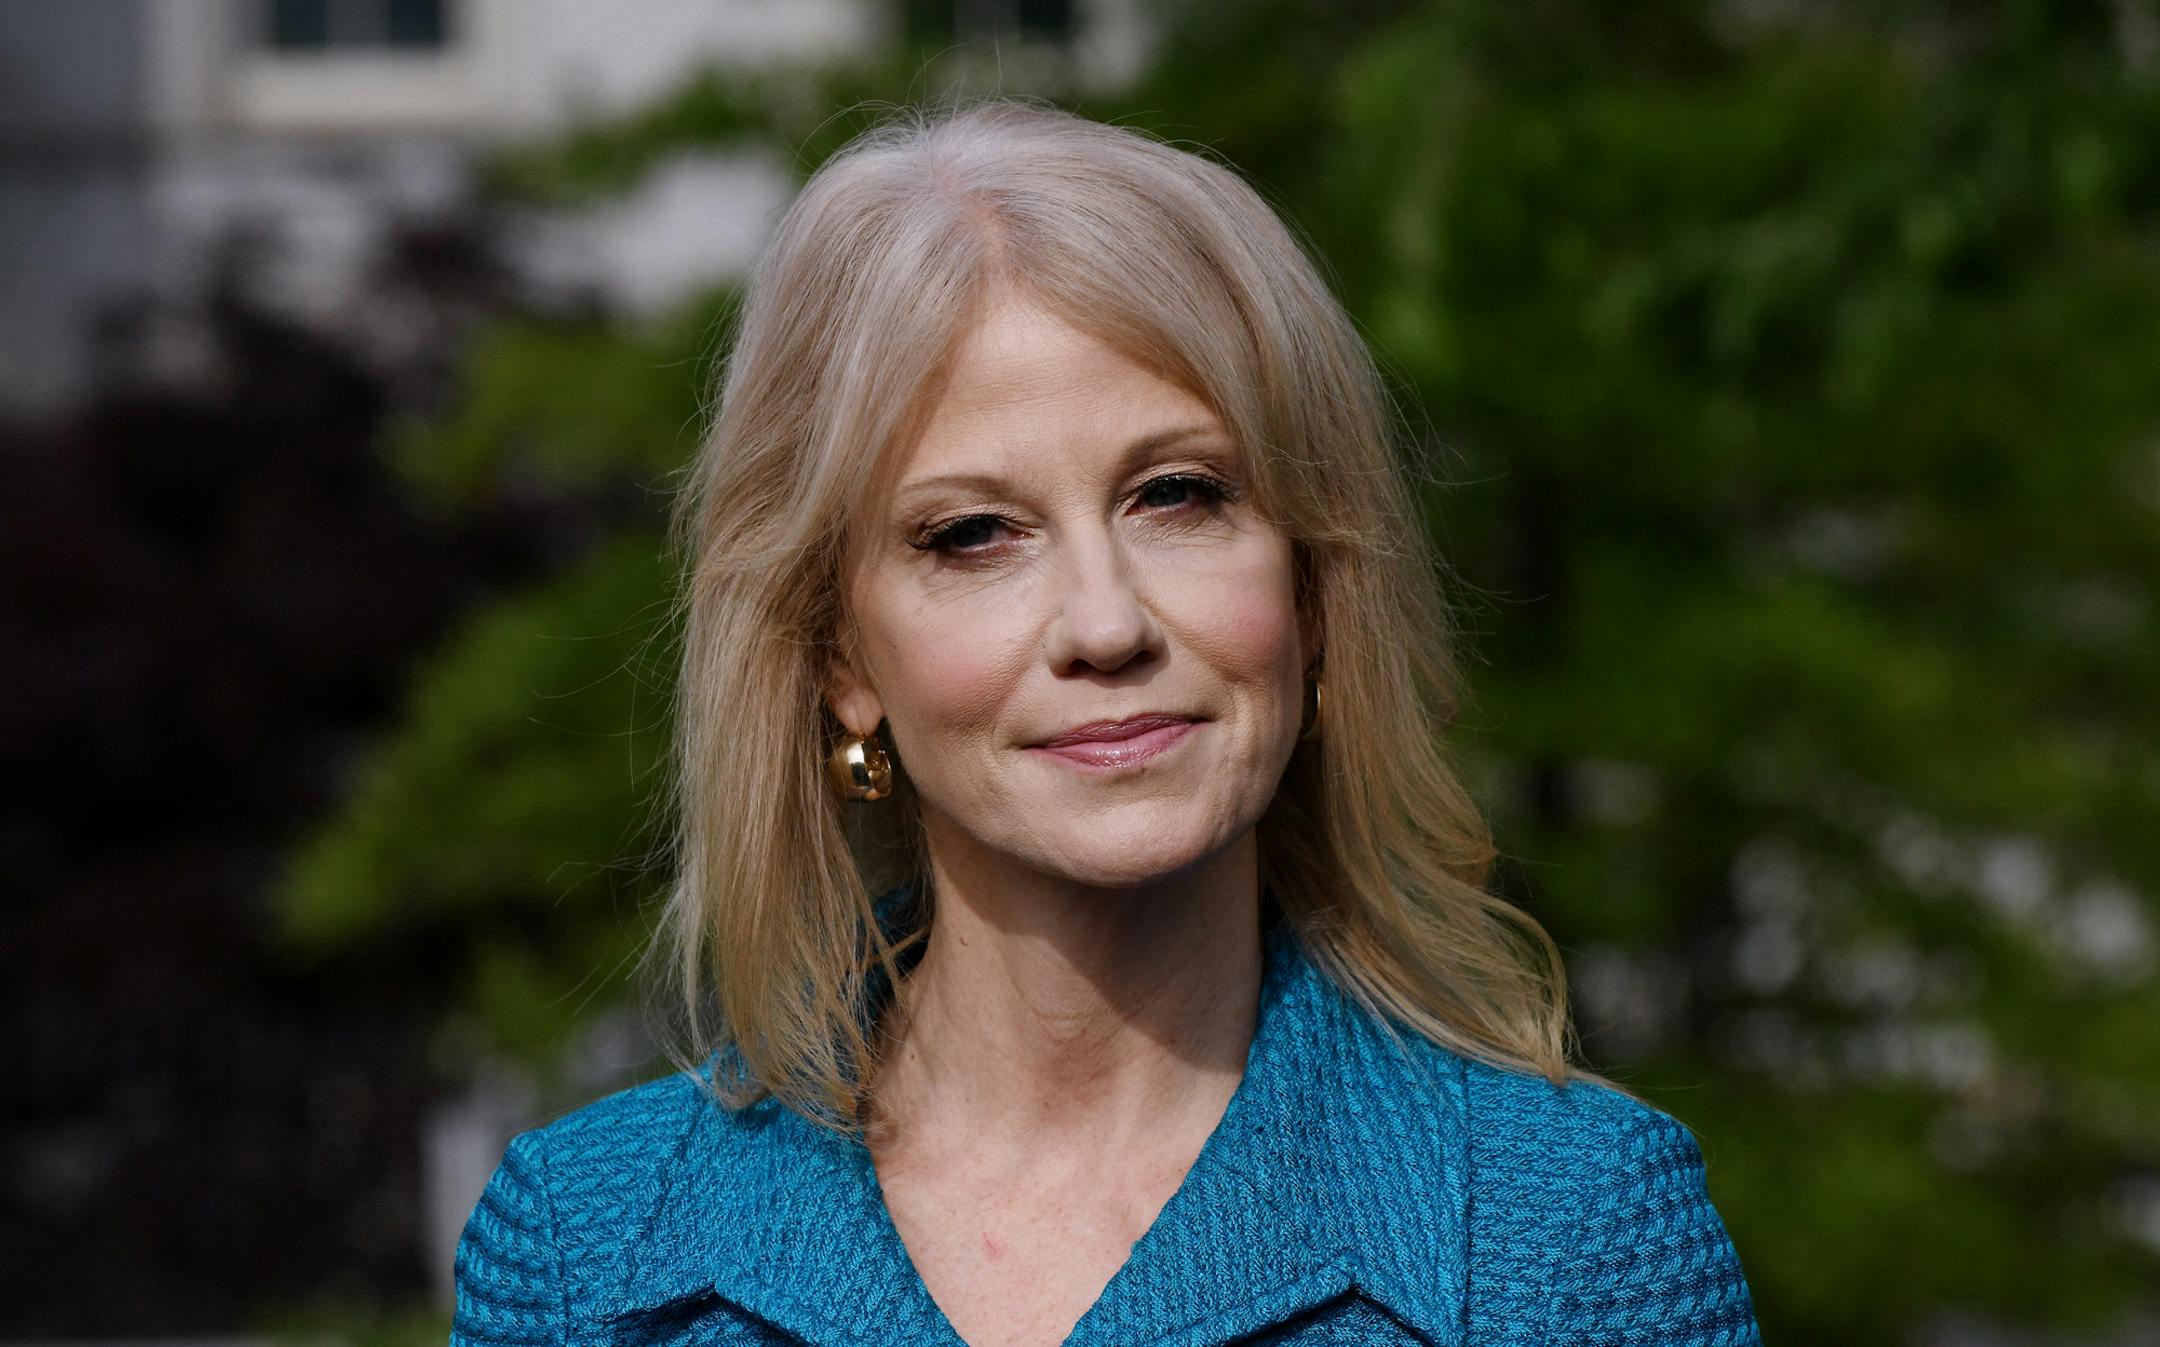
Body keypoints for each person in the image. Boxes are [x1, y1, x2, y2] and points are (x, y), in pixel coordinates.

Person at [449, 97, 1763, 1347]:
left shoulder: (1576, 1233)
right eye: (975, 535)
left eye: (1179, 495)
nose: (1105, 623)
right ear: (838, 656)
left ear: (1310, 584)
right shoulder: (588, 1254)